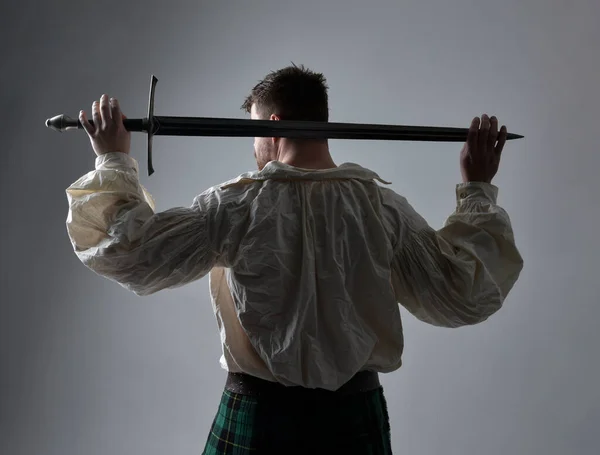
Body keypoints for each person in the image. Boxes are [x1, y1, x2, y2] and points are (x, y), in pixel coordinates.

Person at [65, 64, 524, 454]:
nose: (253, 146)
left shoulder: (236, 206)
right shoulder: (382, 210)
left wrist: (112, 160)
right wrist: (477, 186)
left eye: (253, 130)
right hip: (352, 420)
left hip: (261, 417)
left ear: (272, 125)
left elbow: (132, 253)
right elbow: (463, 290)